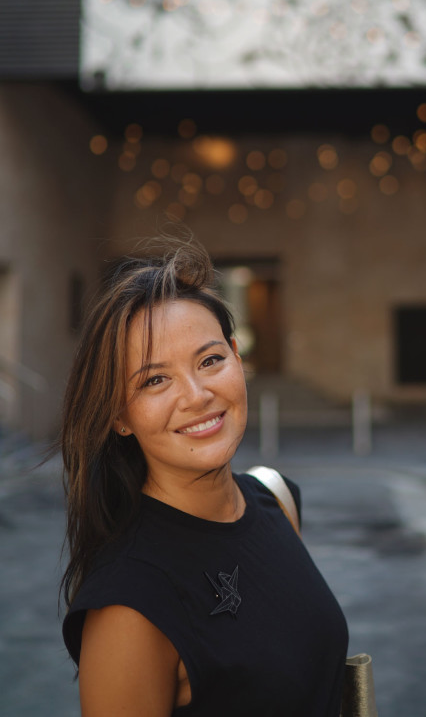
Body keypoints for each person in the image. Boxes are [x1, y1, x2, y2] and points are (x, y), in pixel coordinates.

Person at [60, 240, 348, 716]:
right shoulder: (128, 605)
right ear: (119, 416)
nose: (197, 395)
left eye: (210, 360)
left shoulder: (277, 500)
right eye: (155, 380)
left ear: (237, 356)